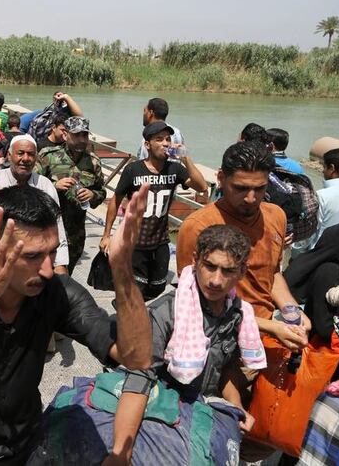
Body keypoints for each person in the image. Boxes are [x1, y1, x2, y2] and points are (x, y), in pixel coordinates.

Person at [0, 184, 153, 465]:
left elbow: (136, 356)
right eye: (32, 256)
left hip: (27, 448)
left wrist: (122, 267)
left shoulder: (56, 291)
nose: (47, 269)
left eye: (52, 253)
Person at [108, 225, 264, 464]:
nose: (216, 280)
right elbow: (139, 378)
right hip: (160, 413)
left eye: (228, 271)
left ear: (242, 272)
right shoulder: (167, 312)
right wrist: (121, 452)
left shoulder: (238, 314)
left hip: (203, 412)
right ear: (196, 260)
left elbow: (227, 370)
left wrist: (236, 406)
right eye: (210, 266)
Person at [176, 141, 311, 352]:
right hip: (219, 340)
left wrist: (292, 311)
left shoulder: (276, 216)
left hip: (268, 335)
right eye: (241, 188)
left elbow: (272, 273)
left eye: (260, 188)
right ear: (221, 178)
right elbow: (194, 300)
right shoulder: (198, 226)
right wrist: (271, 326)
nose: (251, 198)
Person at [102, 122, 207, 300]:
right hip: (135, 243)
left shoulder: (174, 169)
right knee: (136, 290)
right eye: (159, 139)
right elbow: (115, 200)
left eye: (167, 139)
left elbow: (201, 186)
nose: (165, 143)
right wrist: (106, 235)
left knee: (157, 288)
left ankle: (132, 309)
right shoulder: (133, 170)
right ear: (147, 145)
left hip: (160, 243)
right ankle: (129, 317)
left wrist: (185, 158)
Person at [36, 116, 107, 274]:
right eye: (77, 135)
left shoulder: (93, 162)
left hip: (76, 233)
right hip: (48, 228)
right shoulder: (48, 156)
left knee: (67, 277)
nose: (82, 140)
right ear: (65, 135)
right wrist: (54, 186)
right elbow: (32, 187)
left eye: (85, 135)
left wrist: (92, 194)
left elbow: (102, 192)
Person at [0, 134, 71, 275]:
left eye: (30, 154)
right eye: (20, 153)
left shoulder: (45, 185)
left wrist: (60, 264)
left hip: (37, 263)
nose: (25, 159)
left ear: (36, 158)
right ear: (9, 155)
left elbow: (57, 227)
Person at [293, 148, 339, 254]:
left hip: (319, 256)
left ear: (332, 168)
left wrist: (295, 250)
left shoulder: (321, 196)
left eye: (324, 166)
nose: (322, 170)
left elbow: (309, 235)